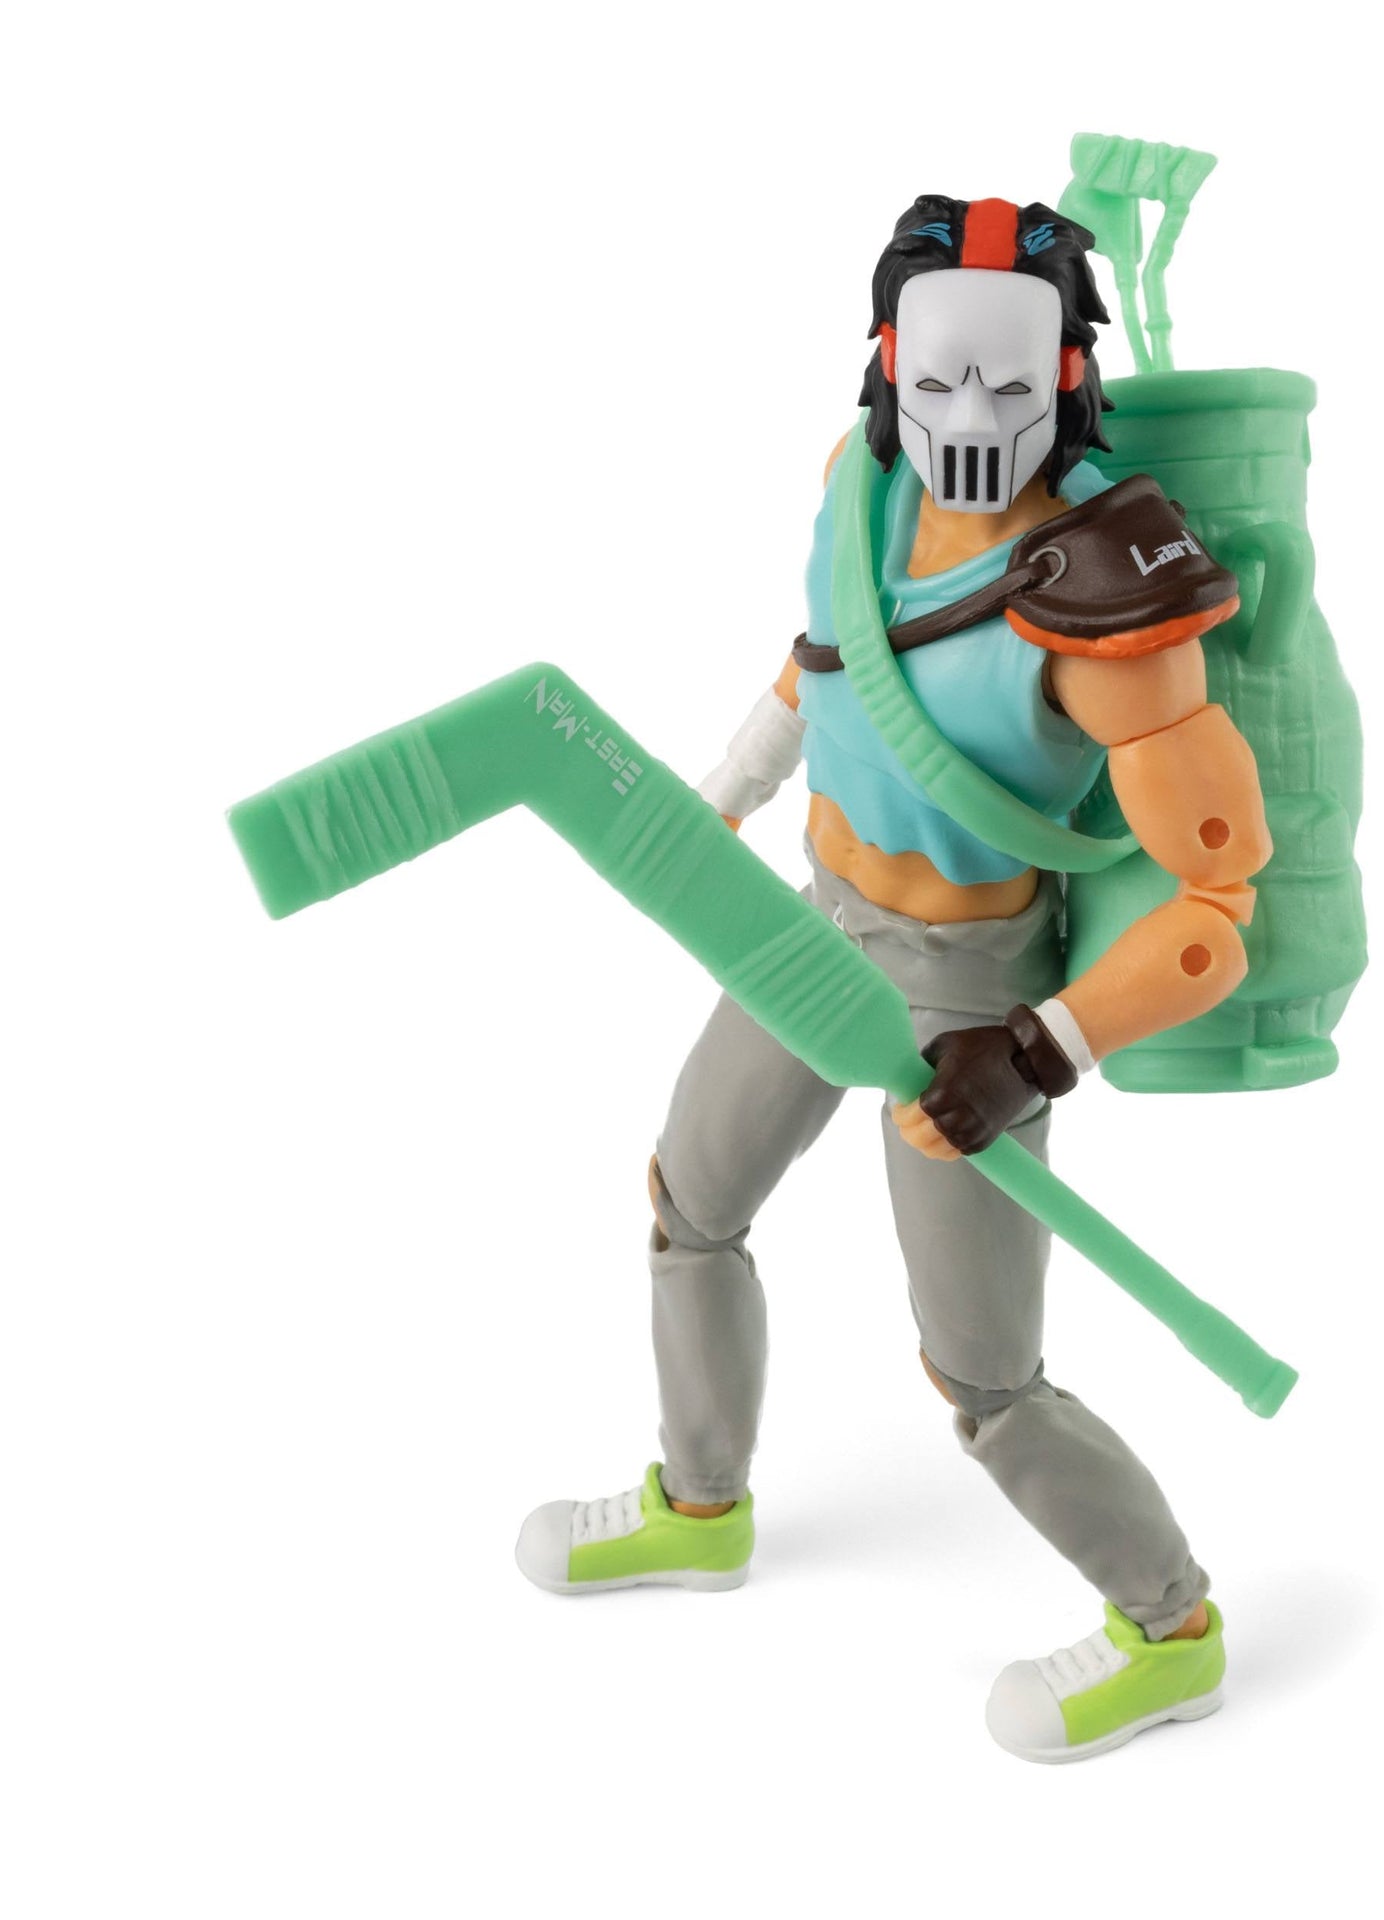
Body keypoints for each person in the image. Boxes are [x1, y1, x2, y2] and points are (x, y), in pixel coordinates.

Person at [514, 193, 1272, 1764]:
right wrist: (725, 788)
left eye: (1008, 382)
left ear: (1068, 374)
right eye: (938, 380)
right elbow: (826, 657)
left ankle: (1172, 1626)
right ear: (884, 361)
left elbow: (1215, 909)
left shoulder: (1112, 594)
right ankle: (701, 1503)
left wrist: (1038, 1048)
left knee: (985, 1378)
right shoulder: (854, 484)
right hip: (812, 926)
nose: (969, 419)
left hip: (973, 994)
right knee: (686, 1203)